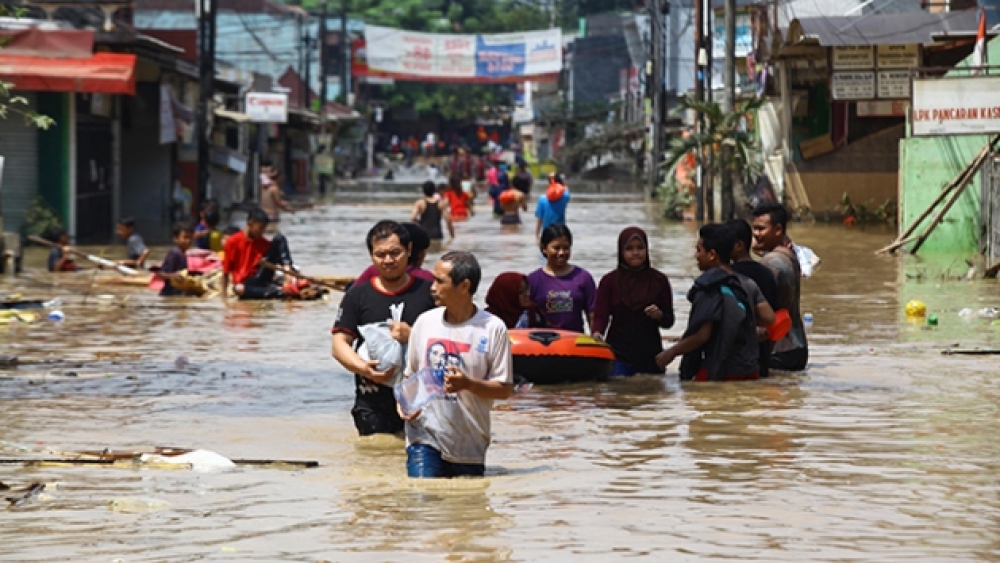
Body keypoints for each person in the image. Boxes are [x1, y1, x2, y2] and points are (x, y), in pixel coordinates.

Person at [399, 250, 514, 478]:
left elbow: (504, 389)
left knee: (465, 509)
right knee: (424, 500)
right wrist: (404, 404)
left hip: (469, 443)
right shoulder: (424, 322)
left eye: (440, 281)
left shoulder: (493, 329)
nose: (432, 287)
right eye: (433, 279)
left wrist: (468, 384)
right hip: (424, 435)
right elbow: (409, 376)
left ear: (464, 286)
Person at [332, 220, 437, 436]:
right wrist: (363, 368)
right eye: (380, 255)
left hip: (423, 402)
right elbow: (339, 344)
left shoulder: (430, 292)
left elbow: (453, 339)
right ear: (371, 256)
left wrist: (414, 336)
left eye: (395, 253)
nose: (388, 260)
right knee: (377, 458)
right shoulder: (357, 296)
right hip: (372, 403)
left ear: (409, 250)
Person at [655, 223, 760, 381]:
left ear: (712, 255)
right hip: (748, 368)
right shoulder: (741, 283)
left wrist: (671, 353)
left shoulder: (708, 286)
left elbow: (702, 335)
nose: (696, 256)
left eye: (699, 250)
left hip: (721, 370)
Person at [592, 227, 675, 376]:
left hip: (651, 356)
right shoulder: (609, 282)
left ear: (647, 250)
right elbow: (601, 316)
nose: (635, 253)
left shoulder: (659, 281)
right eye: (629, 249)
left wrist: (660, 315)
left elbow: (669, 321)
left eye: (640, 248)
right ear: (621, 251)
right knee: (621, 395)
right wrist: (597, 333)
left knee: (652, 396)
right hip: (619, 354)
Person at [752, 203, 808, 371]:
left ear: (778, 230)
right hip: (797, 346)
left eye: (761, 229)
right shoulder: (789, 255)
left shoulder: (770, 263)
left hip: (778, 348)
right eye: (754, 229)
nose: (756, 234)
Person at [728, 219, 781, 378]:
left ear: (738, 245)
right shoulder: (767, 273)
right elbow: (776, 314)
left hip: (737, 355)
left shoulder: (729, 275)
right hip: (763, 352)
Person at [526, 224, 597, 333]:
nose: (561, 253)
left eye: (566, 248)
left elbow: (593, 317)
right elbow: (525, 318)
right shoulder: (533, 280)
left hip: (574, 343)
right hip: (542, 344)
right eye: (556, 248)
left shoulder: (583, 278)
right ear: (543, 248)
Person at [221, 207, 302, 299]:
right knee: (238, 289)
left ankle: (287, 280)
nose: (262, 232)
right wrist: (223, 296)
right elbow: (225, 272)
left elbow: (276, 256)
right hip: (246, 284)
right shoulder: (232, 242)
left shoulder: (262, 242)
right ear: (250, 223)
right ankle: (279, 292)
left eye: (264, 229)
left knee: (279, 238)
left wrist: (289, 270)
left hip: (262, 278)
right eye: (260, 228)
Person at [355, 222, 436, 286]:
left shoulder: (374, 270)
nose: (388, 260)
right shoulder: (426, 278)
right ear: (421, 254)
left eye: (394, 252)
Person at [485, 272, 549, 329]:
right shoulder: (487, 319)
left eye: (527, 289)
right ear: (507, 295)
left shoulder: (533, 313)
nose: (528, 294)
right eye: (521, 292)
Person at [156, 223, 195, 297]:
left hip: (177, 294)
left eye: (190, 238)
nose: (188, 241)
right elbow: (160, 274)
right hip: (169, 294)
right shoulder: (175, 254)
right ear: (176, 239)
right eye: (185, 238)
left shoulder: (183, 254)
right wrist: (173, 276)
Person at [535, 173, 571, 240]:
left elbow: (539, 219)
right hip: (561, 232)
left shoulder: (542, 199)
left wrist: (536, 235)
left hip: (547, 233)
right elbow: (566, 188)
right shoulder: (565, 196)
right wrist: (562, 182)